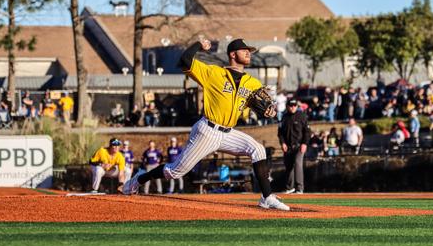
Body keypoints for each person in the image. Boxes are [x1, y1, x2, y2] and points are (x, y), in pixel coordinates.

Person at [122, 38, 289, 210]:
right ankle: (139, 179)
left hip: (228, 133)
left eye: (249, 51)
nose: (248, 53)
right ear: (233, 54)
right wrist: (198, 45)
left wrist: (269, 111)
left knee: (258, 149)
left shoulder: (253, 83)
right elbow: (184, 61)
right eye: (244, 50)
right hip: (207, 130)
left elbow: (258, 106)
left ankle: (267, 197)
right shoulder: (213, 73)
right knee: (174, 172)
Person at [278, 99, 311, 194]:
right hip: (288, 147)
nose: (292, 107)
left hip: (299, 146)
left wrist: (304, 143)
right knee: (288, 166)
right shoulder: (284, 118)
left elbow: (307, 132)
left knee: (297, 163)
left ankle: (299, 187)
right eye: (290, 105)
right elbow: (280, 133)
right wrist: (282, 143)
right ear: (287, 106)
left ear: (297, 106)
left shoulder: (302, 116)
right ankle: (289, 187)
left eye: (294, 105)